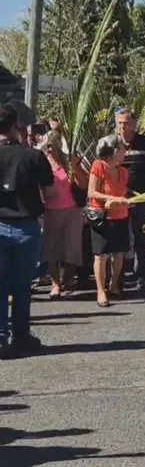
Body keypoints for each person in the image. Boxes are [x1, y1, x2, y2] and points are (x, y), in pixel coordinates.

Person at [0, 104, 54, 358]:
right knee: (22, 286)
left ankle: (1, 337)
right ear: (14, 125)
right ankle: (21, 335)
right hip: (27, 225)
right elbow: (50, 189)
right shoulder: (32, 156)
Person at [98, 109, 145, 290]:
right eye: (120, 123)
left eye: (127, 123)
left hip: (141, 197)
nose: (123, 127)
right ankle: (117, 279)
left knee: (142, 237)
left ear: (134, 124)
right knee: (118, 241)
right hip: (116, 200)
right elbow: (101, 169)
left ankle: (143, 276)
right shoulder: (107, 142)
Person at [41, 131, 88, 299]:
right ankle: (55, 284)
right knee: (51, 250)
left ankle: (67, 277)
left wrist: (75, 168)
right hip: (50, 210)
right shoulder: (42, 163)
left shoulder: (68, 162)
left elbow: (84, 184)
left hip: (72, 209)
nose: (47, 149)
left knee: (71, 248)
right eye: (45, 145)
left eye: (50, 145)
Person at [88, 138, 131, 307]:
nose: (124, 152)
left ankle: (114, 284)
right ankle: (100, 290)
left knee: (119, 253)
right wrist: (111, 198)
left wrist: (126, 200)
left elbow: (123, 191)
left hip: (121, 215)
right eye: (122, 149)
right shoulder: (99, 166)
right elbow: (92, 192)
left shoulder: (123, 171)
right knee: (101, 255)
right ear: (114, 150)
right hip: (102, 217)